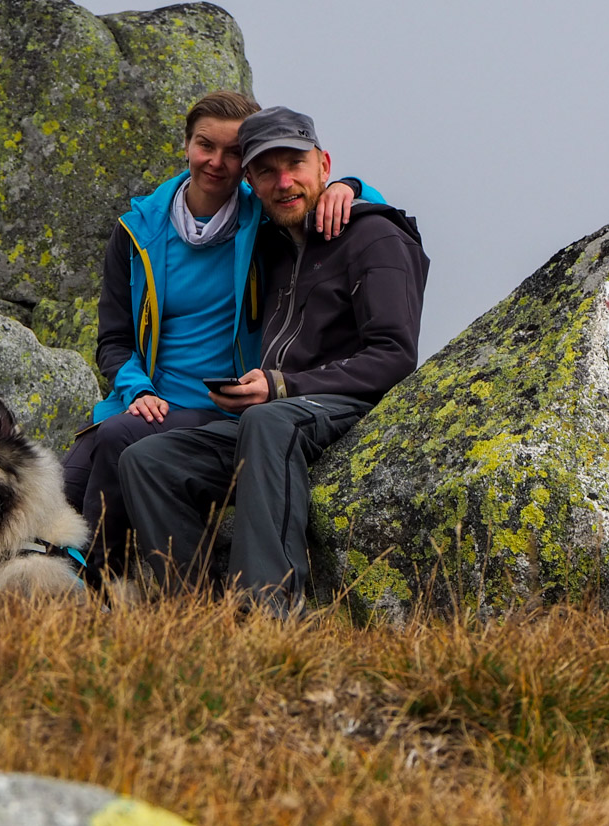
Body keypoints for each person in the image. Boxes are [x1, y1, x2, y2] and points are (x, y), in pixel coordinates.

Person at [118, 106, 429, 613]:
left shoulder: (375, 237)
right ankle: (186, 617)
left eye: (296, 166)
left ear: (323, 166)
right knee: (149, 460)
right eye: (266, 170)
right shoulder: (272, 240)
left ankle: (269, 610)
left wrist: (282, 386)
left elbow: (396, 355)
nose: (284, 182)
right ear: (252, 184)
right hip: (277, 412)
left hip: (351, 406)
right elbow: (193, 203)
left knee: (266, 420)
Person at [58, 91, 380, 581]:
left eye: (234, 152)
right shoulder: (137, 229)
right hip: (148, 402)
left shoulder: (264, 219)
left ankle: (102, 592)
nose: (217, 162)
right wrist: (136, 389)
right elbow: (114, 339)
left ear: (248, 166)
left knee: (119, 442)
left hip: (227, 407)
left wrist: (349, 188)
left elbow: (343, 204)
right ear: (186, 145)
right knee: (64, 485)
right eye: (206, 145)